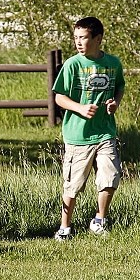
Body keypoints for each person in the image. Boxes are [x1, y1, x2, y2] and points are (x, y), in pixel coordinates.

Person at [52, 16, 125, 241]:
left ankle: (99, 220)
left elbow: (119, 86)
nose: (78, 42)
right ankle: (65, 227)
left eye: (83, 38)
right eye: (76, 38)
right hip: (78, 135)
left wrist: (115, 103)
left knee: (110, 177)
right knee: (73, 185)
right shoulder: (73, 64)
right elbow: (59, 97)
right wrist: (81, 108)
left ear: (98, 38)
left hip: (105, 132)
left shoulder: (113, 63)